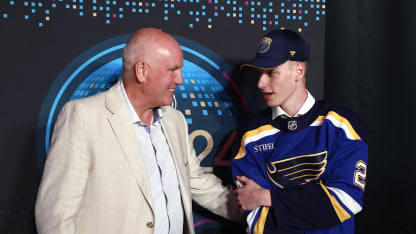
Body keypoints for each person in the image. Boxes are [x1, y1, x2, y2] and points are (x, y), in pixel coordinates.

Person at [35, 28, 240, 234]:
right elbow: (55, 215)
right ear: (142, 70)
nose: (180, 80)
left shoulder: (175, 121)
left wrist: (260, 211)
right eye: (172, 70)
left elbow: (199, 183)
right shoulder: (83, 116)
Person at [231, 29, 368, 233]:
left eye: (271, 72)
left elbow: (343, 201)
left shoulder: (340, 124)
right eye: (260, 73)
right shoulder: (250, 135)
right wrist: (314, 201)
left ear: (299, 71)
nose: (260, 83)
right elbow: (258, 222)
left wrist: (267, 197)